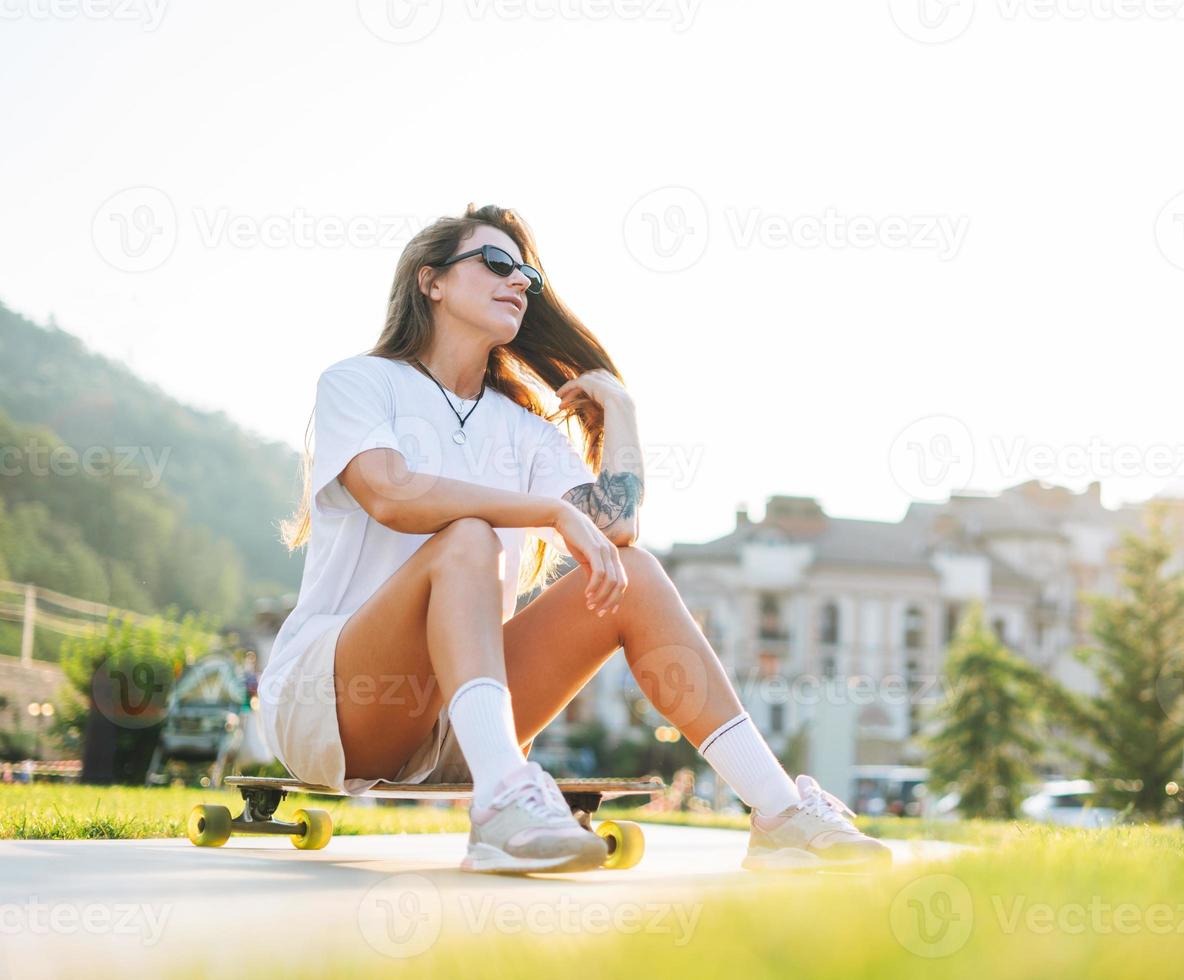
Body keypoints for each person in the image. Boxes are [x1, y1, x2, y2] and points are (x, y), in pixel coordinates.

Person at [261, 203, 890, 875]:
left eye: (527, 274)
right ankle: (503, 801)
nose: (519, 282)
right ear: (431, 281)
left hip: (451, 728)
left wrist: (620, 411)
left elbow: (614, 525)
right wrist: (546, 511)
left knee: (635, 571)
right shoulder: (361, 382)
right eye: (497, 263)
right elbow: (389, 492)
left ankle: (778, 813)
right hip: (335, 705)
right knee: (468, 538)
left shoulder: (525, 430)